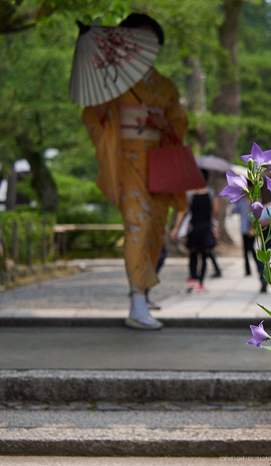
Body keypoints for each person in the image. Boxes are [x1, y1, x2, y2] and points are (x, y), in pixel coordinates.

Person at [81, 13, 187, 330]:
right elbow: (95, 119)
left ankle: (143, 294)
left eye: (150, 42)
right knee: (137, 225)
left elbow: (179, 125)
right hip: (127, 161)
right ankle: (137, 299)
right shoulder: (113, 81)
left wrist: (164, 124)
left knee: (155, 227)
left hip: (157, 163)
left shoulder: (165, 86)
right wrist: (102, 100)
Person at [171, 169, 219, 293]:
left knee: (192, 254)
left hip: (193, 228)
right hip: (206, 228)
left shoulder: (189, 194)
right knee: (204, 256)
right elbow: (215, 211)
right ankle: (201, 284)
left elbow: (183, 212)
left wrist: (176, 229)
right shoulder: (211, 192)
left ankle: (192, 279)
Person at [232, 194, 257, 277]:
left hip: (253, 228)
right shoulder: (242, 201)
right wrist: (235, 200)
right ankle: (247, 270)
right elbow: (235, 210)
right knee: (246, 249)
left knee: (251, 248)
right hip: (244, 228)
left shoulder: (255, 199)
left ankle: (259, 266)